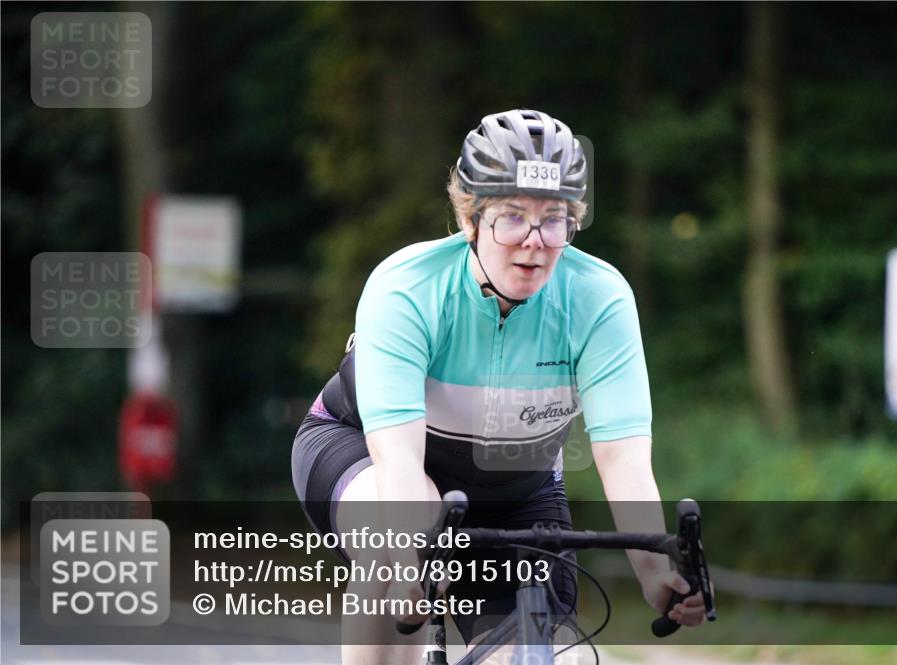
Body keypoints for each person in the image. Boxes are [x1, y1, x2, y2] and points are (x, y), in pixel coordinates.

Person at [292, 109, 706, 664]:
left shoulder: (599, 298)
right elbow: (400, 463)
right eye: (512, 217)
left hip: (516, 487)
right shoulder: (407, 287)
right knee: (395, 550)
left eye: (554, 219)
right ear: (471, 219)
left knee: (555, 655)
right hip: (364, 452)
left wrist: (655, 571)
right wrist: (411, 563)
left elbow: (623, 459)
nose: (534, 242)